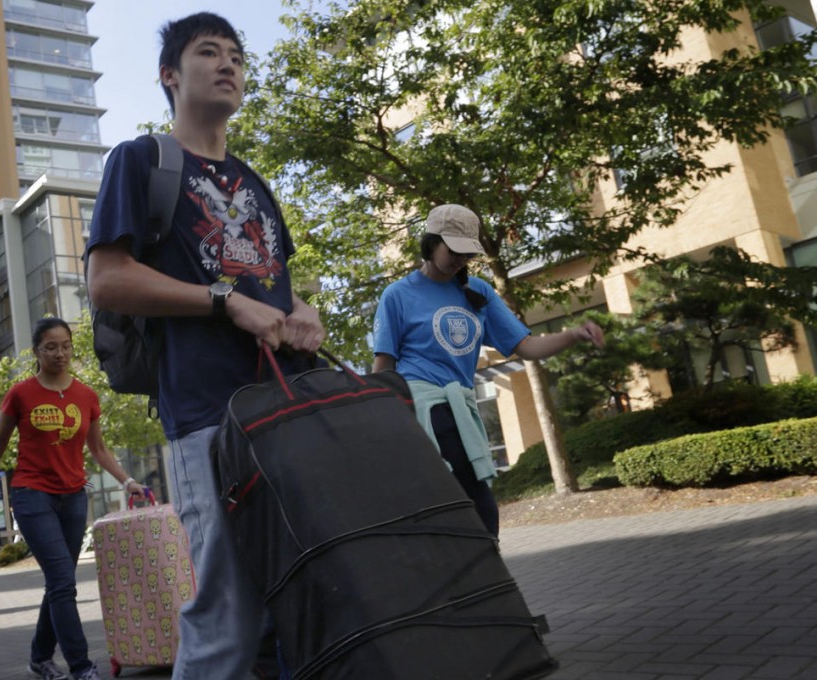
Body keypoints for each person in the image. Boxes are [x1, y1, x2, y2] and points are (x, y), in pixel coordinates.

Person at [85, 12, 325, 680]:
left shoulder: (253, 183)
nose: (228, 65)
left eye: (237, 57)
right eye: (208, 52)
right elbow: (107, 279)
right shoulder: (143, 161)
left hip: (290, 408)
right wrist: (224, 300)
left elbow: (275, 284)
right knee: (226, 621)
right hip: (208, 420)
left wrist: (302, 311)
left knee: (300, 605)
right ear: (169, 75)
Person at [372, 204, 605, 536]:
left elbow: (526, 347)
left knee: (476, 509)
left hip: (462, 411)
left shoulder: (477, 291)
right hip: (423, 412)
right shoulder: (397, 294)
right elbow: (383, 369)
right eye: (454, 250)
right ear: (431, 243)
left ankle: (478, 573)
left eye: (468, 254)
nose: (460, 260)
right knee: (469, 506)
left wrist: (573, 335)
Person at [0, 317, 146, 680]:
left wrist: (128, 480)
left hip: (73, 496)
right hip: (31, 494)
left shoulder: (86, 395)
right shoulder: (21, 393)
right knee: (62, 582)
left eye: (66, 346)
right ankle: (81, 666)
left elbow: (99, 448)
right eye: (51, 347)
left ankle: (40, 658)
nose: (60, 353)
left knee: (60, 582)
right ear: (38, 352)